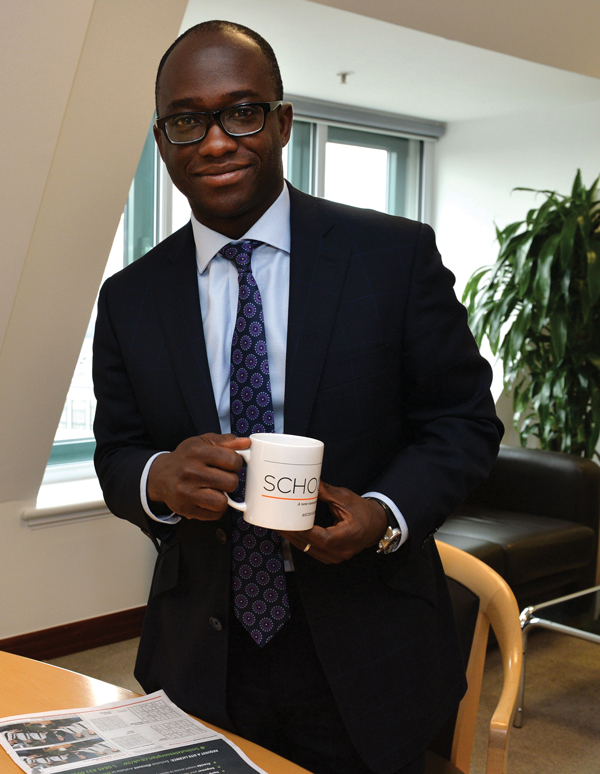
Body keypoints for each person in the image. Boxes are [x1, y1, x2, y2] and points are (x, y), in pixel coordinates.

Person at [92, 20, 503, 774]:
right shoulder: (129, 298)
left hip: (371, 644)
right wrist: (158, 477)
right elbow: (117, 452)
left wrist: (384, 517)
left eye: (242, 112)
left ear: (281, 122)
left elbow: (463, 423)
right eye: (188, 120)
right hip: (199, 658)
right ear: (163, 142)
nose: (216, 142)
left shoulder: (392, 256)